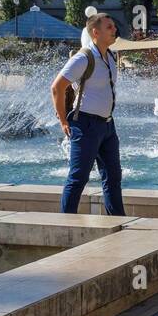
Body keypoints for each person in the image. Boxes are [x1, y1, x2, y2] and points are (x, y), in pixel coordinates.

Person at [51, 12, 125, 216]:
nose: (114, 29)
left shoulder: (109, 55)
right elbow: (57, 87)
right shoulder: (84, 58)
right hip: (85, 125)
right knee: (79, 177)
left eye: (113, 26)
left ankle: (118, 221)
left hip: (108, 126)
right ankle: (66, 223)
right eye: (109, 27)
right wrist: (63, 120)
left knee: (113, 176)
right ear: (95, 32)